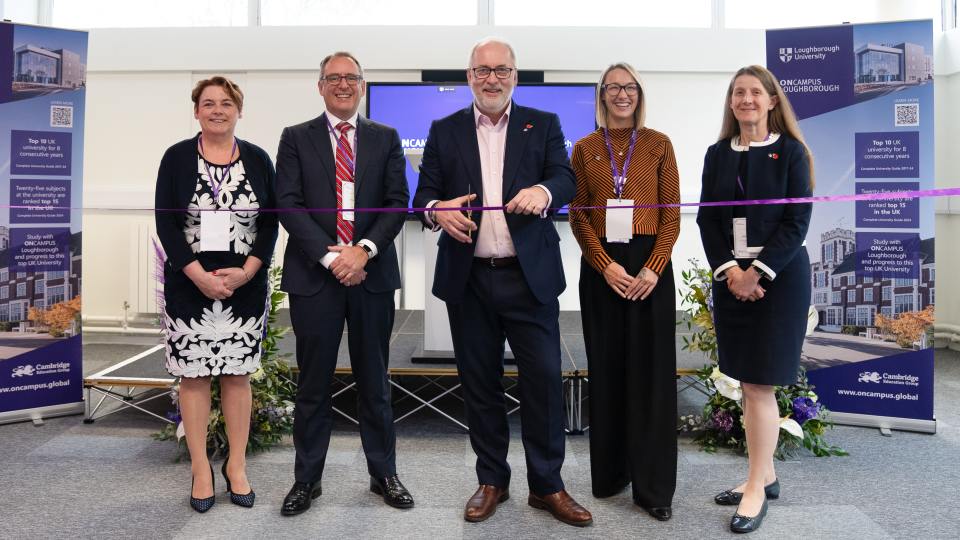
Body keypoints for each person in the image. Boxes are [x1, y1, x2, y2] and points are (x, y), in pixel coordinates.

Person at [413, 37, 592, 528]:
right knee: (480, 385)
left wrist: (543, 190)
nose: (492, 79)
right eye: (482, 70)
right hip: (469, 280)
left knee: (544, 384)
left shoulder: (543, 123)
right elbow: (423, 195)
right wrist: (437, 210)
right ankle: (492, 479)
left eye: (501, 70)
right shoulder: (444, 129)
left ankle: (547, 485)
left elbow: (566, 179)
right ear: (469, 76)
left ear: (515, 75)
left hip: (528, 279)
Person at [275, 51, 412, 516]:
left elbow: (397, 202)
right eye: (333, 78)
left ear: (362, 85)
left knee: (375, 381)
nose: (343, 84)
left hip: (371, 274)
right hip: (316, 277)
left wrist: (363, 251)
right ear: (320, 86)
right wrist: (332, 256)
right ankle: (306, 480)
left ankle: (383, 474)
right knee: (313, 383)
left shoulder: (386, 137)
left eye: (351, 77)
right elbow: (288, 204)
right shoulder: (296, 137)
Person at [696, 65, 814, 534]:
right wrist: (732, 272)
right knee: (747, 383)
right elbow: (707, 220)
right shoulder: (717, 154)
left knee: (761, 384)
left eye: (755, 92)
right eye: (738, 93)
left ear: (771, 100)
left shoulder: (792, 152)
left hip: (778, 279)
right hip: (732, 280)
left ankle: (754, 489)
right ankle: (764, 474)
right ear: (731, 102)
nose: (746, 99)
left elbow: (796, 223)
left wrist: (757, 273)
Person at [155, 76, 278, 513]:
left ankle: (236, 466)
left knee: (237, 375)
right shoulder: (176, 157)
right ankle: (201, 469)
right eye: (208, 103)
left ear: (239, 111)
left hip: (244, 286)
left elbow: (270, 223)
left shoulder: (259, 158)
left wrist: (247, 272)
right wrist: (199, 277)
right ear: (196, 111)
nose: (218, 110)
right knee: (194, 376)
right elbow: (167, 224)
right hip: (189, 286)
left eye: (226, 103)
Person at [569, 62, 680, 522]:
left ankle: (653, 488)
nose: (621, 94)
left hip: (650, 268)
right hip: (604, 271)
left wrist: (654, 267)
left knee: (652, 379)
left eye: (629, 87)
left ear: (639, 93)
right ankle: (612, 474)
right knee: (609, 372)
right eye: (613, 87)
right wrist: (605, 265)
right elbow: (578, 214)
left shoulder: (658, 144)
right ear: (602, 95)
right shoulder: (584, 148)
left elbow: (672, 214)